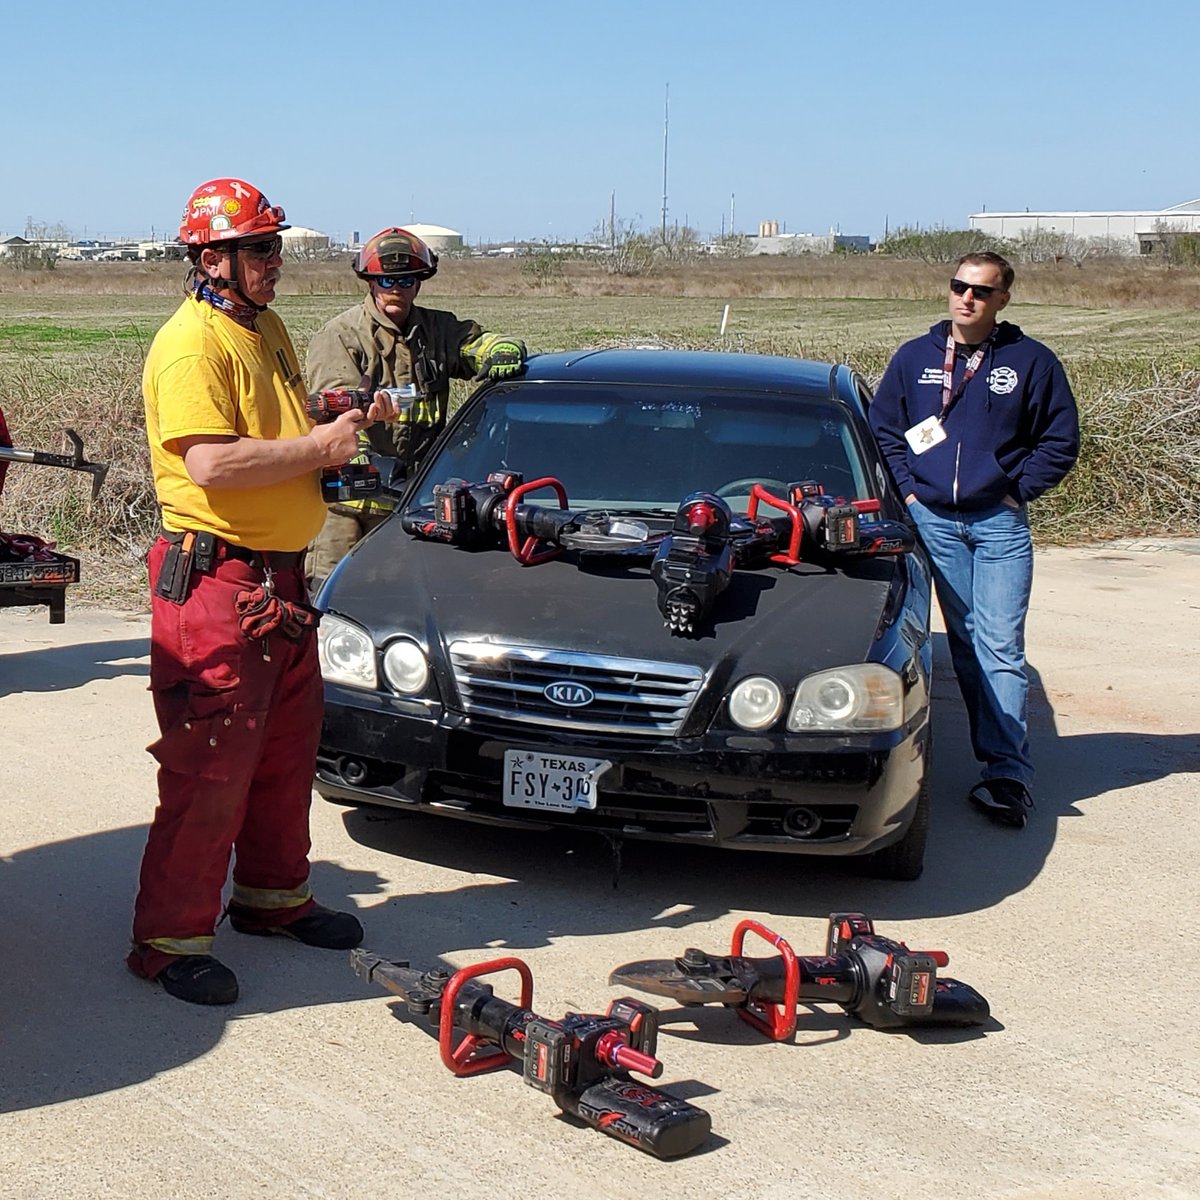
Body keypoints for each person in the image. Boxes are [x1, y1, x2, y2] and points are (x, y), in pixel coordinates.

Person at [129, 178, 398, 1005]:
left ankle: (273, 899)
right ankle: (169, 940)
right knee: (212, 765)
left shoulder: (265, 328)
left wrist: (335, 419)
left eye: (276, 246)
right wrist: (319, 448)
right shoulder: (191, 347)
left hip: (277, 579)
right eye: (260, 249)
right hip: (215, 583)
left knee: (283, 753)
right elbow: (210, 462)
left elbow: (274, 425)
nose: (276, 262)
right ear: (212, 259)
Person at [869, 251, 1079, 829]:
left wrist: (1016, 491)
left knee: (1001, 646)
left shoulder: (1031, 362)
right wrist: (911, 495)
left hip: (999, 525)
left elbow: (1060, 440)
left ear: (1002, 300)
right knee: (962, 643)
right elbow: (885, 430)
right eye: (960, 286)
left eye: (981, 292)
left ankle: (1008, 773)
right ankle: (992, 756)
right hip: (933, 521)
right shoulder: (915, 358)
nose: (967, 298)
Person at [305, 227, 527, 585]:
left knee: (405, 601)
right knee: (334, 600)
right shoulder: (341, 337)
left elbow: (477, 344)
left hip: (416, 500)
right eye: (387, 279)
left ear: (420, 282)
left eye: (407, 279)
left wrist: (501, 350)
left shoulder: (437, 329)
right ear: (370, 281)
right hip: (347, 508)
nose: (397, 288)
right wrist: (365, 459)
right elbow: (336, 414)